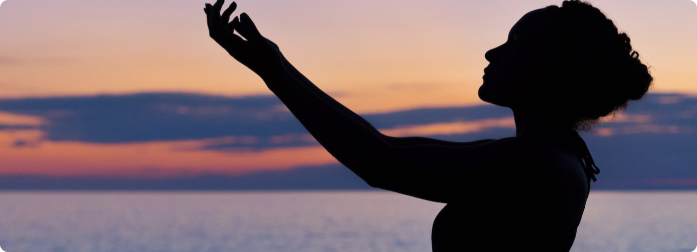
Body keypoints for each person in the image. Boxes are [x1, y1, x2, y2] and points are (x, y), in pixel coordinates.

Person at [203, 0, 653, 251]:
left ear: (547, 69)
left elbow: (379, 161)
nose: (491, 53)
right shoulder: (555, 157)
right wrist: (275, 67)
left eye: (513, 45)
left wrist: (275, 71)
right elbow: (383, 149)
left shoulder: (536, 165)